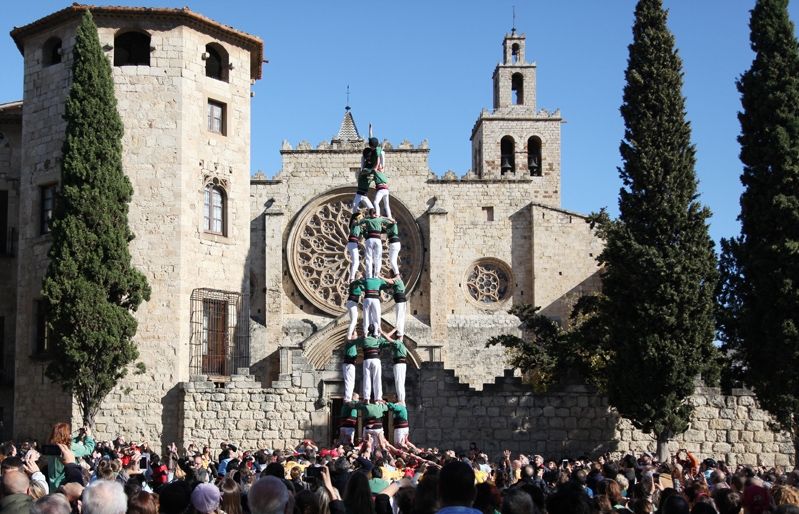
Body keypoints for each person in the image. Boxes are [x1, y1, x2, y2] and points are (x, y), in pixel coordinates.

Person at [45, 422, 95, 491]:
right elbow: (88, 449)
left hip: (52, 487)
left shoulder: (50, 447)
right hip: (65, 486)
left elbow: (67, 441)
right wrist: (88, 436)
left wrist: (79, 436)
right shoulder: (69, 447)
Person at [359, 209, 392, 279]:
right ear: (375, 214)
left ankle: (369, 276)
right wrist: (381, 217)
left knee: (368, 258)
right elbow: (389, 222)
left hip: (369, 239)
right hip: (377, 239)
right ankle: (376, 276)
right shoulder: (379, 219)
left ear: (370, 214)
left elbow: (359, 222)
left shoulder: (367, 220)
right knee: (378, 258)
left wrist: (366, 217)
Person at [367, 138, 391, 218]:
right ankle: (390, 216)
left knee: (376, 202)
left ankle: (377, 214)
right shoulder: (382, 172)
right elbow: (380, 164)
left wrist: (377, 156)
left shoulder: (375, 171)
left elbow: (377, 163)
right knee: (386, 205)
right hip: (386, 190)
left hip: (381, 190)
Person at [362, 325, 386, 402]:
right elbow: (385, 341)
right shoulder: (377, 339)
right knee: (377, 378)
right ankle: (378, 398)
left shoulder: (365, 339)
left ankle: (366, 397)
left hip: (367, 359)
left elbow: (356, 341)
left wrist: (363, 335)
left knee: (367, 378)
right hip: (376, 359)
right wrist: (380, 334)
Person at [353, 145, 377, 211]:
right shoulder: (364, 172)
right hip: (360, 194)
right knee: (354, 207)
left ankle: (374, 214)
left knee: (371, 208)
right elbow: (364, 169)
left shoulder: (367, 174)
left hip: (363, 194)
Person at [387, 270, 407, 337]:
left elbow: (390, 281)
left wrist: (380, 276)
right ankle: (400, 334)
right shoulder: (396, 280)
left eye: (388, 273)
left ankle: (397, 333)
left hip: (401, 301)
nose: (388, 274)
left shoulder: (397, 279)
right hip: (399, 301)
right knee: (400, 317)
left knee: (399, 318)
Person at [343, 335, 362, 403]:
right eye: (355, 336)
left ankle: (348, 397)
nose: (356, 337)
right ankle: (348, 398)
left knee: (351, 382)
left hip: (351, 365)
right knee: (349, 382)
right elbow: (348, 337)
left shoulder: (353, 345)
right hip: (348, 365)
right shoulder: (349, 342)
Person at [346, 212, 364, 281]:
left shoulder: (359, 227)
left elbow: (363, 233)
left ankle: (355, 273)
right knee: (356, 262)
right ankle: (352, 278)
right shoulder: (354, 222)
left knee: (356, 261)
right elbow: (357, 223)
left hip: (354, 243)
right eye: (360, 217)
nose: (361, 218)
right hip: (352, 243)